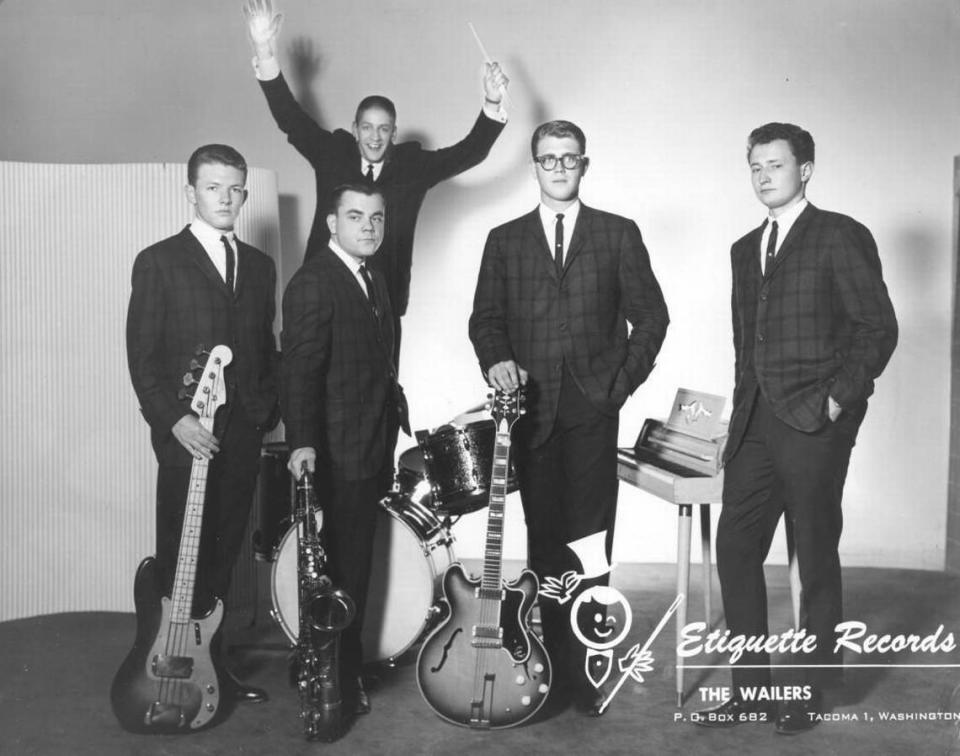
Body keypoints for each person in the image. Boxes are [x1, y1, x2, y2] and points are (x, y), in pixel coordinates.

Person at [696, 123, 898, 735]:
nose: (763, 176)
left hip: (815, 422)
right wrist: (737, 423)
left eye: (775, 165)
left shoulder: (840, 235)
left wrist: (838, 403)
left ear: (805, 169)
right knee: (734, 547)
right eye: (754, 166)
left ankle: (810, 690)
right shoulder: (742, 249)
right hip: (757, 423)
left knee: (812, 555)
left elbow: (877, 329)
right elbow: (744, 346)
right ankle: (751, 690)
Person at [469, 120, 669, 716]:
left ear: (585, 164)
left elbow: (652, 318)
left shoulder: (617, 235)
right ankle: (547, 667)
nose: (558, 168)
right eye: (548, 159)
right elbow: (485, 320)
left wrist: (618, 386)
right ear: (534, 165)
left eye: (569, 159)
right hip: (532, 414)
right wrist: (497, 359)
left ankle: (586, 672)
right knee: (543, 544)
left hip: (591, 410)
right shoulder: (504, 240)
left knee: (590, 545)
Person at [243, 0, 509, 365]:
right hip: (323, 299)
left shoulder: (414, 165)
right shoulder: (332, 153)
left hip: (384, 303)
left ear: (394, 133)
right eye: (366, 127)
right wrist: (264, 50)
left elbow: (470, 153)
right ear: (354, 130)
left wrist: (492, 100)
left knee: (382, 404)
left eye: (384, 129)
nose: (374, 137)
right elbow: (290, 118)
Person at [126, 143, 279, 703]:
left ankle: (210, 663)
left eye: (236, 188)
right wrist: (176, 422)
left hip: (241, 437)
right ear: (191, 192)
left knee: (223, 552)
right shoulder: (159, 260)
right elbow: (142, 360)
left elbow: (265, 348)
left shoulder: (260, 267)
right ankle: (165, 662)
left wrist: (266, 414)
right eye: (214, 187)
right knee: (179, 554)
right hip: (185, 437)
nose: (227, 198)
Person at [280, 182, 409, 718]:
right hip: (335, 450)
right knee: (341, 569)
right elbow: (299, 370)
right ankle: (338, 678)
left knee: (353, 565)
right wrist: (303, 442)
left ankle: (336, 664)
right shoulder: (314, 281)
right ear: (332, 223)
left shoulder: (372, 276)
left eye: (377, 218)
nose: (369, 227)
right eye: (355, 217)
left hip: (370, 446)